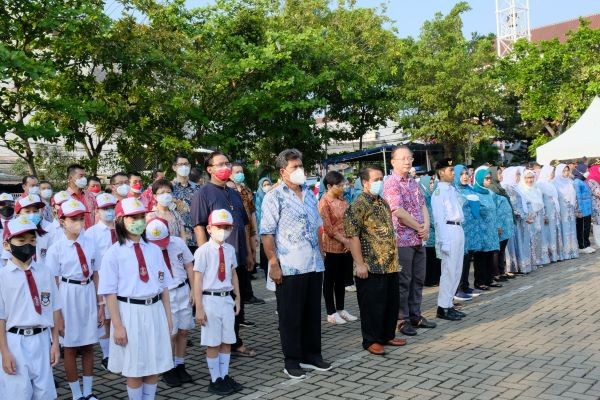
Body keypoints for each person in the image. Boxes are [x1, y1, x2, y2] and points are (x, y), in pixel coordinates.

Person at [260, 148, 331, 379]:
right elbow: (267, 233)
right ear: (283, 171)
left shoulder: (309, 193)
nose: (300, 170)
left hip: (313, 264)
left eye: (301, 166)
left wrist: (321, 251)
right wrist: (273, 262)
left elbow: (318, 225)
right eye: (295, 167)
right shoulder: (274, 195)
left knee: (311, 312)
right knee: (291, 316)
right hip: (289, 265)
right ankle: (292, 359)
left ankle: (312, 355)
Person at [98, 197, 174, 400]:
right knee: (135, 367)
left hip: (154, 308)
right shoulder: (113, 254)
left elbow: (164, 285)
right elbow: (109, 293)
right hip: (129, 312)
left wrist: (168, 316)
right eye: (133, 217)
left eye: (142, 216)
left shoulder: (155, 250)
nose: (139, 221)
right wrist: (117, 325)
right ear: (121, 220)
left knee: (153, 364)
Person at [190, 151, 256, 357]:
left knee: (237, 298)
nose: (225, 167)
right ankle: (216, 346)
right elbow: (199, 226)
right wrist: (205, 255)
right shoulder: (203, 193)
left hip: (237, 254)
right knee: (218, 300)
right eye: (220, 164)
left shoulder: (234, 192)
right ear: (209, 169)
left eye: (227, 163)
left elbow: (243, 224)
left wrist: (249, 252)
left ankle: (234, 342)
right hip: (215, 257)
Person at [343, 165, 405, 355]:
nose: (380, 182)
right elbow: (353, 237)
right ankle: (371, 340)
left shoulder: (383, 203)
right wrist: (360, 263)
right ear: (365, 183)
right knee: (372, 305)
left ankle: (387, 335)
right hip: (371, 265)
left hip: (390, 264)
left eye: (381, 179)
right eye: (376, 179)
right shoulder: (358, 205)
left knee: (390, 302)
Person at [0, 217, 62, 400]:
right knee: (18, 393)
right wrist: (4, 352)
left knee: (45, 393)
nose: (28, 244)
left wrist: (55, 343)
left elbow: (54, 308)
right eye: (21, 240)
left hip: (42, 339)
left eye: (32, 240)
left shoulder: (45, 271)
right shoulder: (2, 277)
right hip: (15, 342)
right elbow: (1, 318)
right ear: (7, 245)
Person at [46, 199, 102, 400]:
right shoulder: (57, 248)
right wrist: (58, 315)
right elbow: (52, 282)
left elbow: (95, 273)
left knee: (88, 344)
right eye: (73, 219)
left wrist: (100, 304)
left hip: (87, 292)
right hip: (67, 294)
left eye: (81, 218)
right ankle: (76, 394)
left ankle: (88, 392)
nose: (79, 223)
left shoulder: (90, 243)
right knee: (70, 346)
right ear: (62, 221)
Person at [383, 145, 434, 337]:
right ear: (393, 161)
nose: (407, 161)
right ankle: (401, 319)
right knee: (404, 281)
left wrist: (426, 226)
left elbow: (423, 205)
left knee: (418, 279)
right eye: (402, 158)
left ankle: (416, 315)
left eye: (410, 158)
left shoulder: (413, 182)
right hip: (402, 239)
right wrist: (419, 227)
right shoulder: (391, 183)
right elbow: (397, 211)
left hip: (418, 239)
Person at [193, 209, 244, 395]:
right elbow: (197, 279)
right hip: (210, 299)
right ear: (209, 228)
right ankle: (215, 379)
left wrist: (237, 297)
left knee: (227, 340)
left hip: (226, 299)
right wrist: (199, 308)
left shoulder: (230, 249)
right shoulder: (202, 251)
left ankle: (224, 375)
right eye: (219, 227)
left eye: (227, 227)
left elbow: (233, 274)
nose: (223, 230)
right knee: (213, 342)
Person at [145, 218, 195, 388]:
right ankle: (167, 367)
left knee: (183, 331)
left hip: (182, 290)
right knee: (170, 333)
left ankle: (180, 364)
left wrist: (194, 289)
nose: (162, 245)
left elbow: (189, 266)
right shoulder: (148, 249)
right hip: (166, 294)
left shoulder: (178, 243)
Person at [318, 171, 357, 325]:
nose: (342, 188)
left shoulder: (342, 199)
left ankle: (341, 309)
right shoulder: (324, 202)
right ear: (329, 186)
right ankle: (331, 312)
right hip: (332, 246)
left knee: (341, 279)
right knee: (330, 280)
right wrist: (344, 240)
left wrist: (349, 241)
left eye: (343, 185)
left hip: (345, 246)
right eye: (339, 185)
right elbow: (328, 227)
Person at [84, 193, 118, 371]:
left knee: (119, 316)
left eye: (111, 208)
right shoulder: (91, 233)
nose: (109, 212)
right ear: (97, 211)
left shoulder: (121, 229)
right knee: (105, 317)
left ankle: (119, 350)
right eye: (105, 209)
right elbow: (93, 264)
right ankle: (107, 354)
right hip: (102, 279)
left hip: (122, 279)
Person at [431, 159, 465, 321]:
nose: (453, 173)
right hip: (448, 231)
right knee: (448, 271)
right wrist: (443, 241)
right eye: (450, 170)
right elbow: (439, 219)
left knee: (457, 269)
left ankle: (449, 304)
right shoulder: (439, 193)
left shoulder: (451, 190)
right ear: (441, 172)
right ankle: (442, 307)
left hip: (458, 228)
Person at [230, 162, 264, 305]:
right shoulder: (228, 190)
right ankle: (241, 296)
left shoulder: (246, 190)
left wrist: (254, 233)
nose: (240, 174)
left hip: (248, 230)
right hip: (235, 233)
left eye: (241, 171)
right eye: (237, 172)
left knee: (248, 263)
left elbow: (252, 213)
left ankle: (248, 294)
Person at [453, 165, 482, 298]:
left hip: (472, 231)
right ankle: (457, 289)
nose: (465, 176)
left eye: (466, 174)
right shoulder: (454, 190)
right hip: (460, 229)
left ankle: (465, 286)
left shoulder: (470, 189)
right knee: (460, 261)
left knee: (467, 259)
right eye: (461, 174)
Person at [472, 167, 501, 290]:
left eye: (490, 178)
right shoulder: (475, 194)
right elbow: (474, 214)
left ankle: (490, 279)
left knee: (490, 255)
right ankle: (480, 281)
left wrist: (498, 226)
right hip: (481, 231)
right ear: (479, 179)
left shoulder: (490, 193)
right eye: (486, 178)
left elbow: (495, 210)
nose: (489, 180)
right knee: (481, 257)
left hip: (491, 230)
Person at [502, 167, 534, 274]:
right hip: (515, 221)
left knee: (521, 242)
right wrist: (525, 217)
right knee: (516, 243)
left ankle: (523, 265)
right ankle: (515, 267)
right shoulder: (507, 187)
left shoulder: (516, 187)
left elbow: (525, 202)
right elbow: (513, 206)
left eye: (519, 175)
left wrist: (527, 215)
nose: (518, 177)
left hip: (521, 220)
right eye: (517, 175)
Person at [487, 166, 515, 279]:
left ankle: (502, 271)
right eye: (498, 173)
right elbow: (494, 209)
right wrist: (497, 225)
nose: (501, 175)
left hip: (505, 224)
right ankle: (496, 273)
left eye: (501, 173)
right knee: (497, 250)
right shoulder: (492, 190)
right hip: (499, 225)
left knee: (502, 249)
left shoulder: (500, 188)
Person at [171, 154, 200, 253]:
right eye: (180, 164)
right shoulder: (167, 188)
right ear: (174, 167)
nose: (184, 167)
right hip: (176, 239)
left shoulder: (198, 188)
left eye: (186, 164)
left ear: (190, 166)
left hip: (196, 239)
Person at [519, 169, 547, 268]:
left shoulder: (537, 189)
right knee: (530, 238)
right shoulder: (522, 190)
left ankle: (538, 260)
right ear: (523, 178)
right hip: (529, 219)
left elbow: (541, 204)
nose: (530, 180)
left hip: (538, 217)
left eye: (531, 178)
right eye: (527, 178)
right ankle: (530, 261)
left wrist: (543, 215)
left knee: (538, 238)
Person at [14, 195, 51, 267]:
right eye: (27, 211)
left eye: (35, 211)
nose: (32, 214)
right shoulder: (13, 237)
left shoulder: (45, 235)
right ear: (18, 215)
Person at [537, 165, 563, 263]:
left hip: (554, 211)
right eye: (552, 172)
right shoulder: (540, 184)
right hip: (547, 212)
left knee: (554, 231)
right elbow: (540, 200)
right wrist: (544, 215)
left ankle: (556, 254)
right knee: (548, 233)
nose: (553, 174)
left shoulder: (551, 183)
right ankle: (549, 255)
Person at [553, 164, 579, 260]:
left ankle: (573, 251)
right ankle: (565, 252)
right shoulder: (554, 183)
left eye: (567, 170)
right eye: (564, 171)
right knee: (563, 229)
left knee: (571, 228)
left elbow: (574, 197)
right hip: (561, 210)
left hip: (570, 209)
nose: (566, 173)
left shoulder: (570, 182)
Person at [419, 176, 441, 287]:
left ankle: (435, 279)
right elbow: (427, 216)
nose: (432, 185)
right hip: (428, 234)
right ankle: (429, 280)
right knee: (429, 260)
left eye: (432, 182)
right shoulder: (422, 197)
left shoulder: (432, 196)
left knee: (435, 259)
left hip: (435, 234)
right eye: (430, 183)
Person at [66, 164, 97, 229]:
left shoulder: (90, 196)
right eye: (81, 176)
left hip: (92, 236)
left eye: (84, 176)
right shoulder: (64, 197)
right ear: (70, 178)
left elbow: (97, 215)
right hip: (74, 237)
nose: (84, 179)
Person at [573, 163, 595, 253]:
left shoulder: (583, 181)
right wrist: (579, 210)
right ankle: (582, 246)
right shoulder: (577, 182)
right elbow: (577, 197)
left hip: (587, 208)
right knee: (581, 228)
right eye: (586, 171)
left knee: (586, 227)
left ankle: (587, 244)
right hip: (582, 209)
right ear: (581, 171)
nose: (587, 172)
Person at [254, 177, 273, 278]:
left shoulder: (275, 195)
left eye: (268, 184)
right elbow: (258, 216)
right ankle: (267, 276)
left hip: (275, 232)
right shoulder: (258, 197)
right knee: (266, 257)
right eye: (264, 185)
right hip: (264, 232)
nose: (267, 187)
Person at [586, 160, 600, 248]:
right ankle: (598, 242)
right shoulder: (591, 179)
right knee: (597, 224)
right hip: (596, 206)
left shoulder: (598, 177)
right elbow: (598, 192)